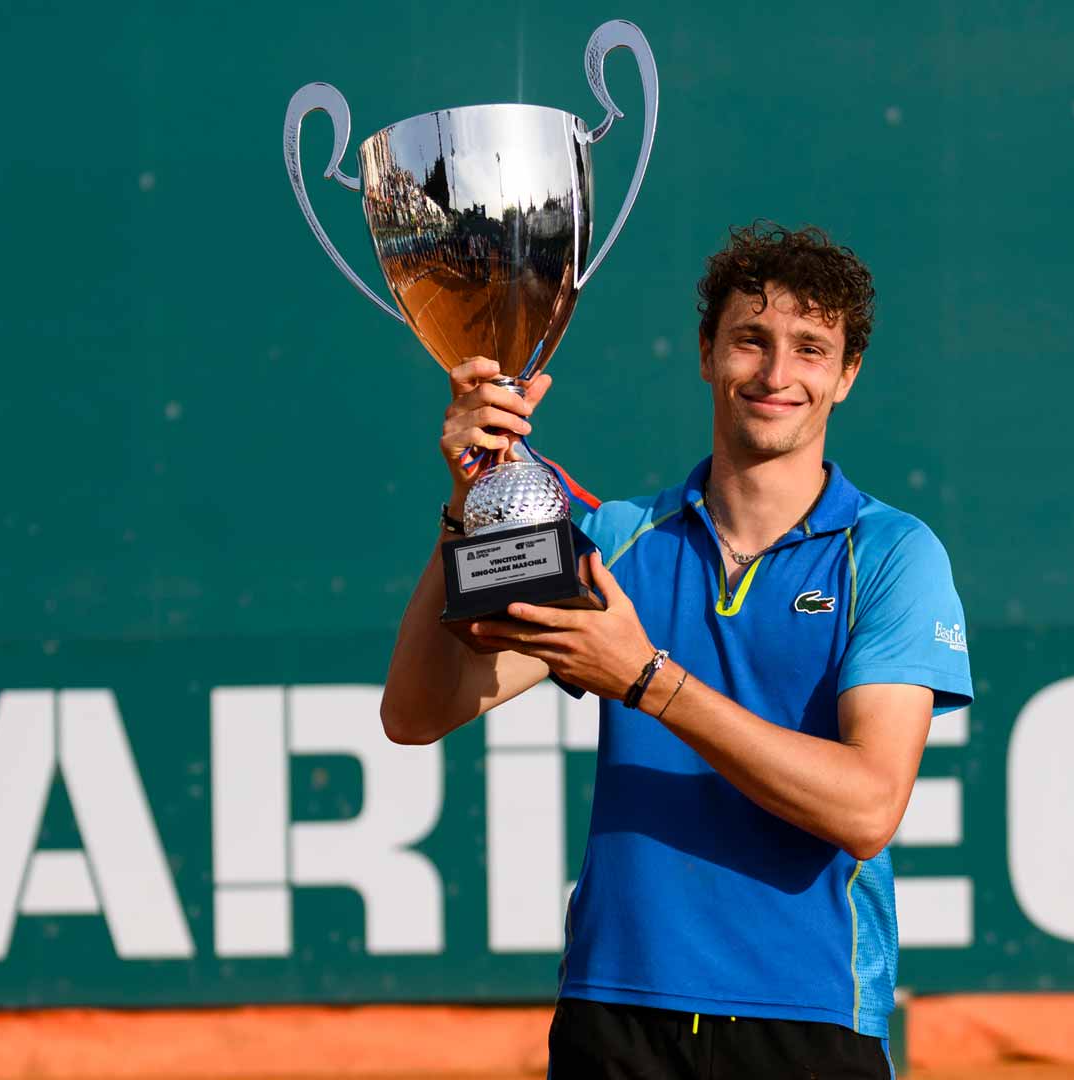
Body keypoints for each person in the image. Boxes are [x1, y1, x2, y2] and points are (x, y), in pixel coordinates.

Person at [380, 222, 973, 1078]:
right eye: (751, 341)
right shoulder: (616, 540)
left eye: (811, 349)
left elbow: (868, 807)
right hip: (614, 1017)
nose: (776, 374)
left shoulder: (890, 553)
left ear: (846, 376)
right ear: (707, 354)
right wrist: (468, 502)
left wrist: (648, 680)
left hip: (806, 1020)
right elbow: (417, 712)